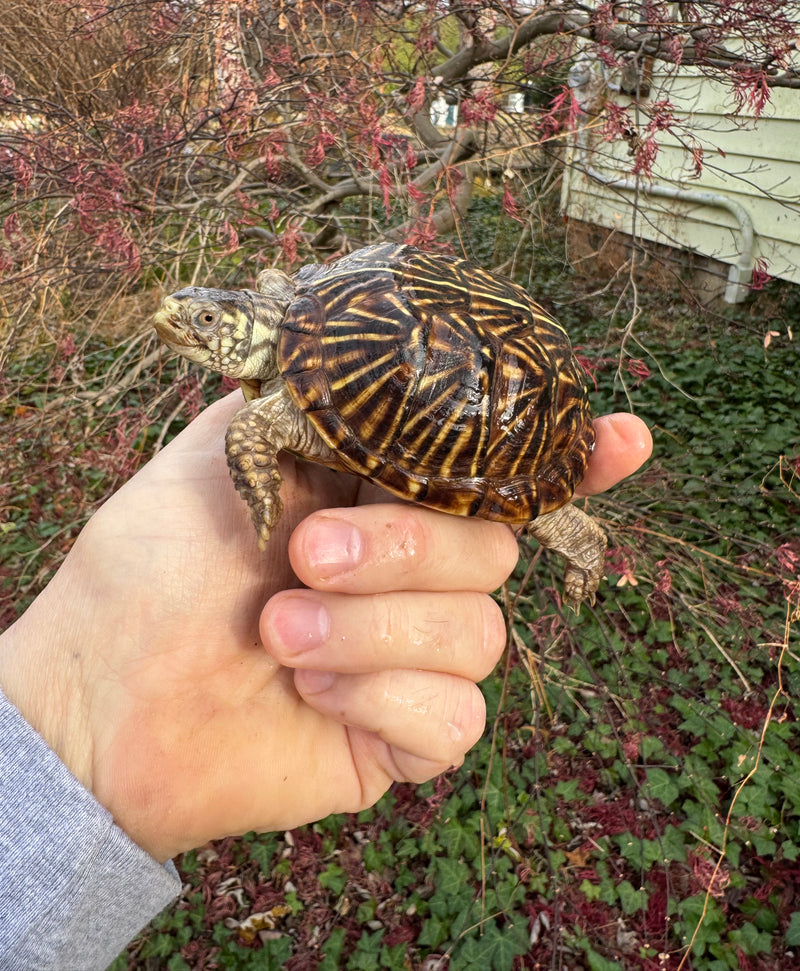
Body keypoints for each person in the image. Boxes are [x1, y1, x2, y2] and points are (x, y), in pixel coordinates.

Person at [0, 391, 652, 970]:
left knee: (511, 507)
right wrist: (94, 747)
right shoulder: (283, 399)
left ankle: (570, 528)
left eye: (206, 324)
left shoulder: (290, 395)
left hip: (478, 405)